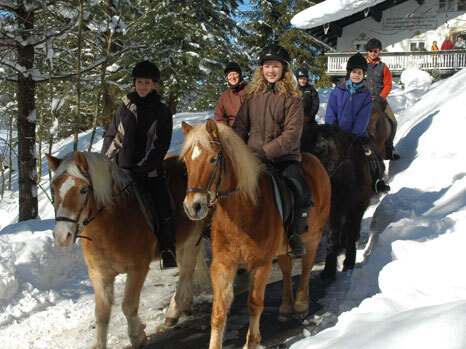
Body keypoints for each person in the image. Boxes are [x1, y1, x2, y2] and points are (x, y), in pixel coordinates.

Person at [233, 44, 312, 257]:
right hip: (252, 157)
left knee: (301, 190)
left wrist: (264, 153)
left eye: (275, 66)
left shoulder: (293, 98)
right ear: (261, 69)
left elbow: (291, 135)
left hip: (284, 158)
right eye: (267, 66)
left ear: (284, 69)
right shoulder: (252, 95)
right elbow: (240, 125)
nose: (271, 71)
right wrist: (240, 150)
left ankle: (295, 234)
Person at [101, 60, 177, 269]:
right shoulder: (125, 108)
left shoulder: (161, 111)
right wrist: (105, 162)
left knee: (163, 207)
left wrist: (142, 169)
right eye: (139, 82)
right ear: (134, 83)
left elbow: (160, 145)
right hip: (121, 171)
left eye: (147, 82)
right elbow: (112, 136)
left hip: (148, 172)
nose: (143, 86)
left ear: (154, 85)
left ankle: (167, 249)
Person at [325, 53, 390, 194]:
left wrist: (354, 135)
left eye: (359, 73)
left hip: (357, 136)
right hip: (336, 134)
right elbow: (331, 112)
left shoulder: (365, 94)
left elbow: (363, 117)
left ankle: (377, 180)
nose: (356, 75)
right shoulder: (338, 91)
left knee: (375, 155)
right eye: (354, 72)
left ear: (364, 74)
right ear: (349, 73)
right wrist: (332, 131)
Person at [365, 37, 400, 160]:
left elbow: (388, 84)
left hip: (380, 100)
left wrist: (381, 97)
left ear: (379, 51)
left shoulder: (384, 67)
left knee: (394, 122)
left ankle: (389, 147)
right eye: (370, 50)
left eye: (375, 51)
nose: (372, 53)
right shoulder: (362, 65)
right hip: (364, 101)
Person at [214, 62, 248, 127]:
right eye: (229, 75)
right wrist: (228, 131)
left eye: (235, 74)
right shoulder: (225, 96)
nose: (232, 77)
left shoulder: (251, 91)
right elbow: (219, 117)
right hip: (232, 132)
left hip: (251, 131)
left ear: (240, 75)